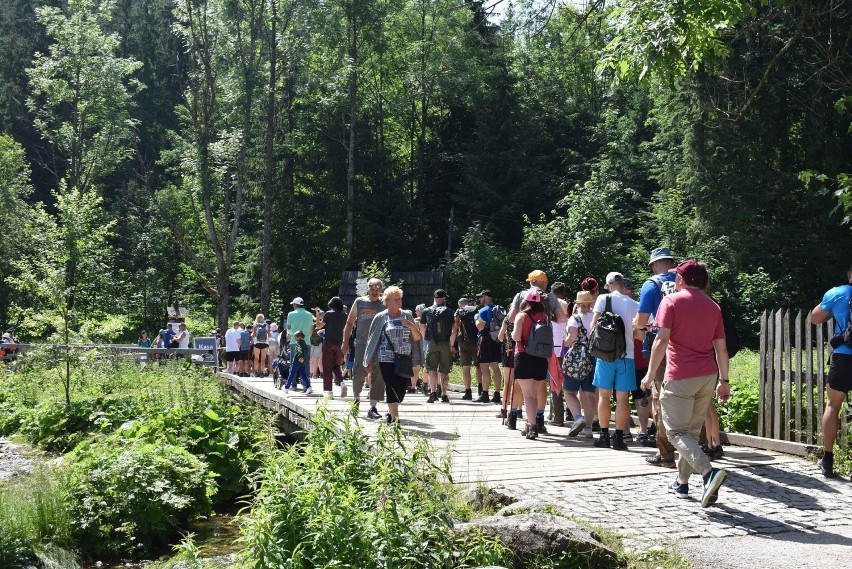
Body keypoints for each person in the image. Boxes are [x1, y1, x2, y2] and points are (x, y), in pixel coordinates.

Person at [641, 260, 730, 507]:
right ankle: (682, 483)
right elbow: (720, 348)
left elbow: (661, 341)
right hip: (708, 376)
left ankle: (708, 472)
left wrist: (649, 375)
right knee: (690, 434)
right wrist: (724, 381)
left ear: (681, 279)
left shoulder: (671, 302)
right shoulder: (714, 307)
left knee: (676, 433)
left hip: (680, 375)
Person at [506, 270, 568, 434]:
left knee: (524, 390)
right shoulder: (550, 300)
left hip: (524, 353)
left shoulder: (520, 297)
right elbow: (562, 318)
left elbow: (511, 318)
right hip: (543, 352)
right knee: (538, 390)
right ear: (543, 282)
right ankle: (539, 420)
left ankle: (517, 419)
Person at [634, 246, 678, 468]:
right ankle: (702, 450)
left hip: (662, 345)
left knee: (661, 398)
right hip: (690, 347)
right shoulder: (686, 282)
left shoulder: (652, 284)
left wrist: (638, 326)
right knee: (696, 399)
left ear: (653, 264)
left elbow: (641, 321)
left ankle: (665, 455)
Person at [810, 264, 852, 479]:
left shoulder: (838, 293)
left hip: (844, 356)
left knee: (833, 406)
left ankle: (827, 459)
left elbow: (815, 318)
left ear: (849, 275)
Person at [590, 272, 639, 450]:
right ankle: (619, 438)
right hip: (627, 355)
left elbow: (592, 327)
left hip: (605, 355)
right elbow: (643, 328)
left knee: (604, 395)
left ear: (609, 285)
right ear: (623, 285)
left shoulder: (603, 299)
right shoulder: (634, 304)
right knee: (623, 398)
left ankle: (603, 436)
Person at [363, 286, 422, 423]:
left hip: (404, 358)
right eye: (396, 299)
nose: (399, 302)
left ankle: (391, 411)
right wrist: (369, 360)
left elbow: (417, 337)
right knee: (391, 386)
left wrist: (411, 325)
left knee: (401, 390)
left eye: (400, 299)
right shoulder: (380, 317)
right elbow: (372, 340)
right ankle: (395, 419)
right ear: (387, 301)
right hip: (386, 357)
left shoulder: (407, 315)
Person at [342, 278, 386, 419]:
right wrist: (345, 343)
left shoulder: (384, 303)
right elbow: (349, 323)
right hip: (361, 343)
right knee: (358, 372)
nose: (375, 290)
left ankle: (373, 406)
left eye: (378, 288)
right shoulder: (359, 302)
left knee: (379, 374)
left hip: (379, 343)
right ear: (367, 288)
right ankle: (356, 399)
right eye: (372, 287)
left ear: (381, 290)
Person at [511, 289, 551, 440]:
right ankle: (530, 423)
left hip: (524, 357)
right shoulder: (545, 318)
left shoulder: (521, 316)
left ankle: (532, 427)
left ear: (525, 302)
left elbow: (516, 336)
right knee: (533, 395)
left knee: (527, 395)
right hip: (541, 359)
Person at [564, 291, 597, 439]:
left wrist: (565, 341)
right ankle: (588, 428)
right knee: (589, 394)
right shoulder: (597, 318)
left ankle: (578, 418)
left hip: (576, 358)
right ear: (591, 303)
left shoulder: (574, 318)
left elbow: (571, 338)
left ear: (577, 304)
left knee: (570, 392)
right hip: (593, 357)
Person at [420, 289, 457, 403]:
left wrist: (424, 340)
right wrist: (451, 344)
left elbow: (422, 327)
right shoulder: (450, 312)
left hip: (432, 342)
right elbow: (454, 329)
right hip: (445, 343)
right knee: (444, 369)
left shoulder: (426, 311)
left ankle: (433, 393)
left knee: (431, 368)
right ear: (443, 298)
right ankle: (444, 394)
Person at [475, 290, 504, 404]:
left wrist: (476, 319)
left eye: (481, 297)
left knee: (485, 368)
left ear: (486, 297)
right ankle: (497, 394)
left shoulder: (483, 310)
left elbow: (480, 327)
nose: (480, 299)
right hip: (496, 340)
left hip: (485, 340)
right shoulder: (498, 310)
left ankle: (485, 394)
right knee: (495, 367)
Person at [316, 297, 348, 398]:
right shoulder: (344, 315)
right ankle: (342, 383)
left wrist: (317, 316)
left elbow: (319, 326)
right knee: (336, 366)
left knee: (327, 367)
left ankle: (328, 391)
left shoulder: (329, 314)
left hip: (328, 343)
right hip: (339, 343)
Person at [455, 298, 481, 400]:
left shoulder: (459, 312)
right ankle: (481, 389)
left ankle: (468, 392)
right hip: (475, 342)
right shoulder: (475, 310)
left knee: (466, 367)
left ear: (460, 304)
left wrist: (453, 343)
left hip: (463, 342)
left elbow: (456, 327)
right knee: (478, 366)